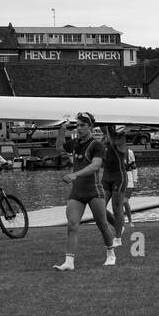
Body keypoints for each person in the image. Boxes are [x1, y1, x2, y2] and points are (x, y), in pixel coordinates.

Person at [54, 112, 117, 270]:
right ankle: (69, 262)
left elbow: (95, 166)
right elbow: (59, 147)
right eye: (77, 125)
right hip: (77, 192)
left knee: (102, 224)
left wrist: (75, 174)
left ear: (90, 127)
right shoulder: (75, 143)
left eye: (83, 125)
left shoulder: (97, 145)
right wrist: (62, 129)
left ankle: (111, 253)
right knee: (72, 225)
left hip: (94, 191)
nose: (79, 128)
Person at [100, 125, 130, 246]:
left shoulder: (120, 139)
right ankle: (119, 226)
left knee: (116, 207)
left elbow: (114, 142)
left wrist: (109, 130)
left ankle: (118, 238)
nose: (101, 127)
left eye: (104, 125)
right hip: (106, 178)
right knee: (100, 207)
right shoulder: (103, 140)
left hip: (119, 177)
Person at [123, 144, 137, 224]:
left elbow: (134, 167)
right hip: (118, 178)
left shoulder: (130, 152)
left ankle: (130, 220)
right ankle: (121, 222)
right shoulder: (113, 152)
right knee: (119, 203)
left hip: (128, 178)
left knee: (124, 201)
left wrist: (135, 180)